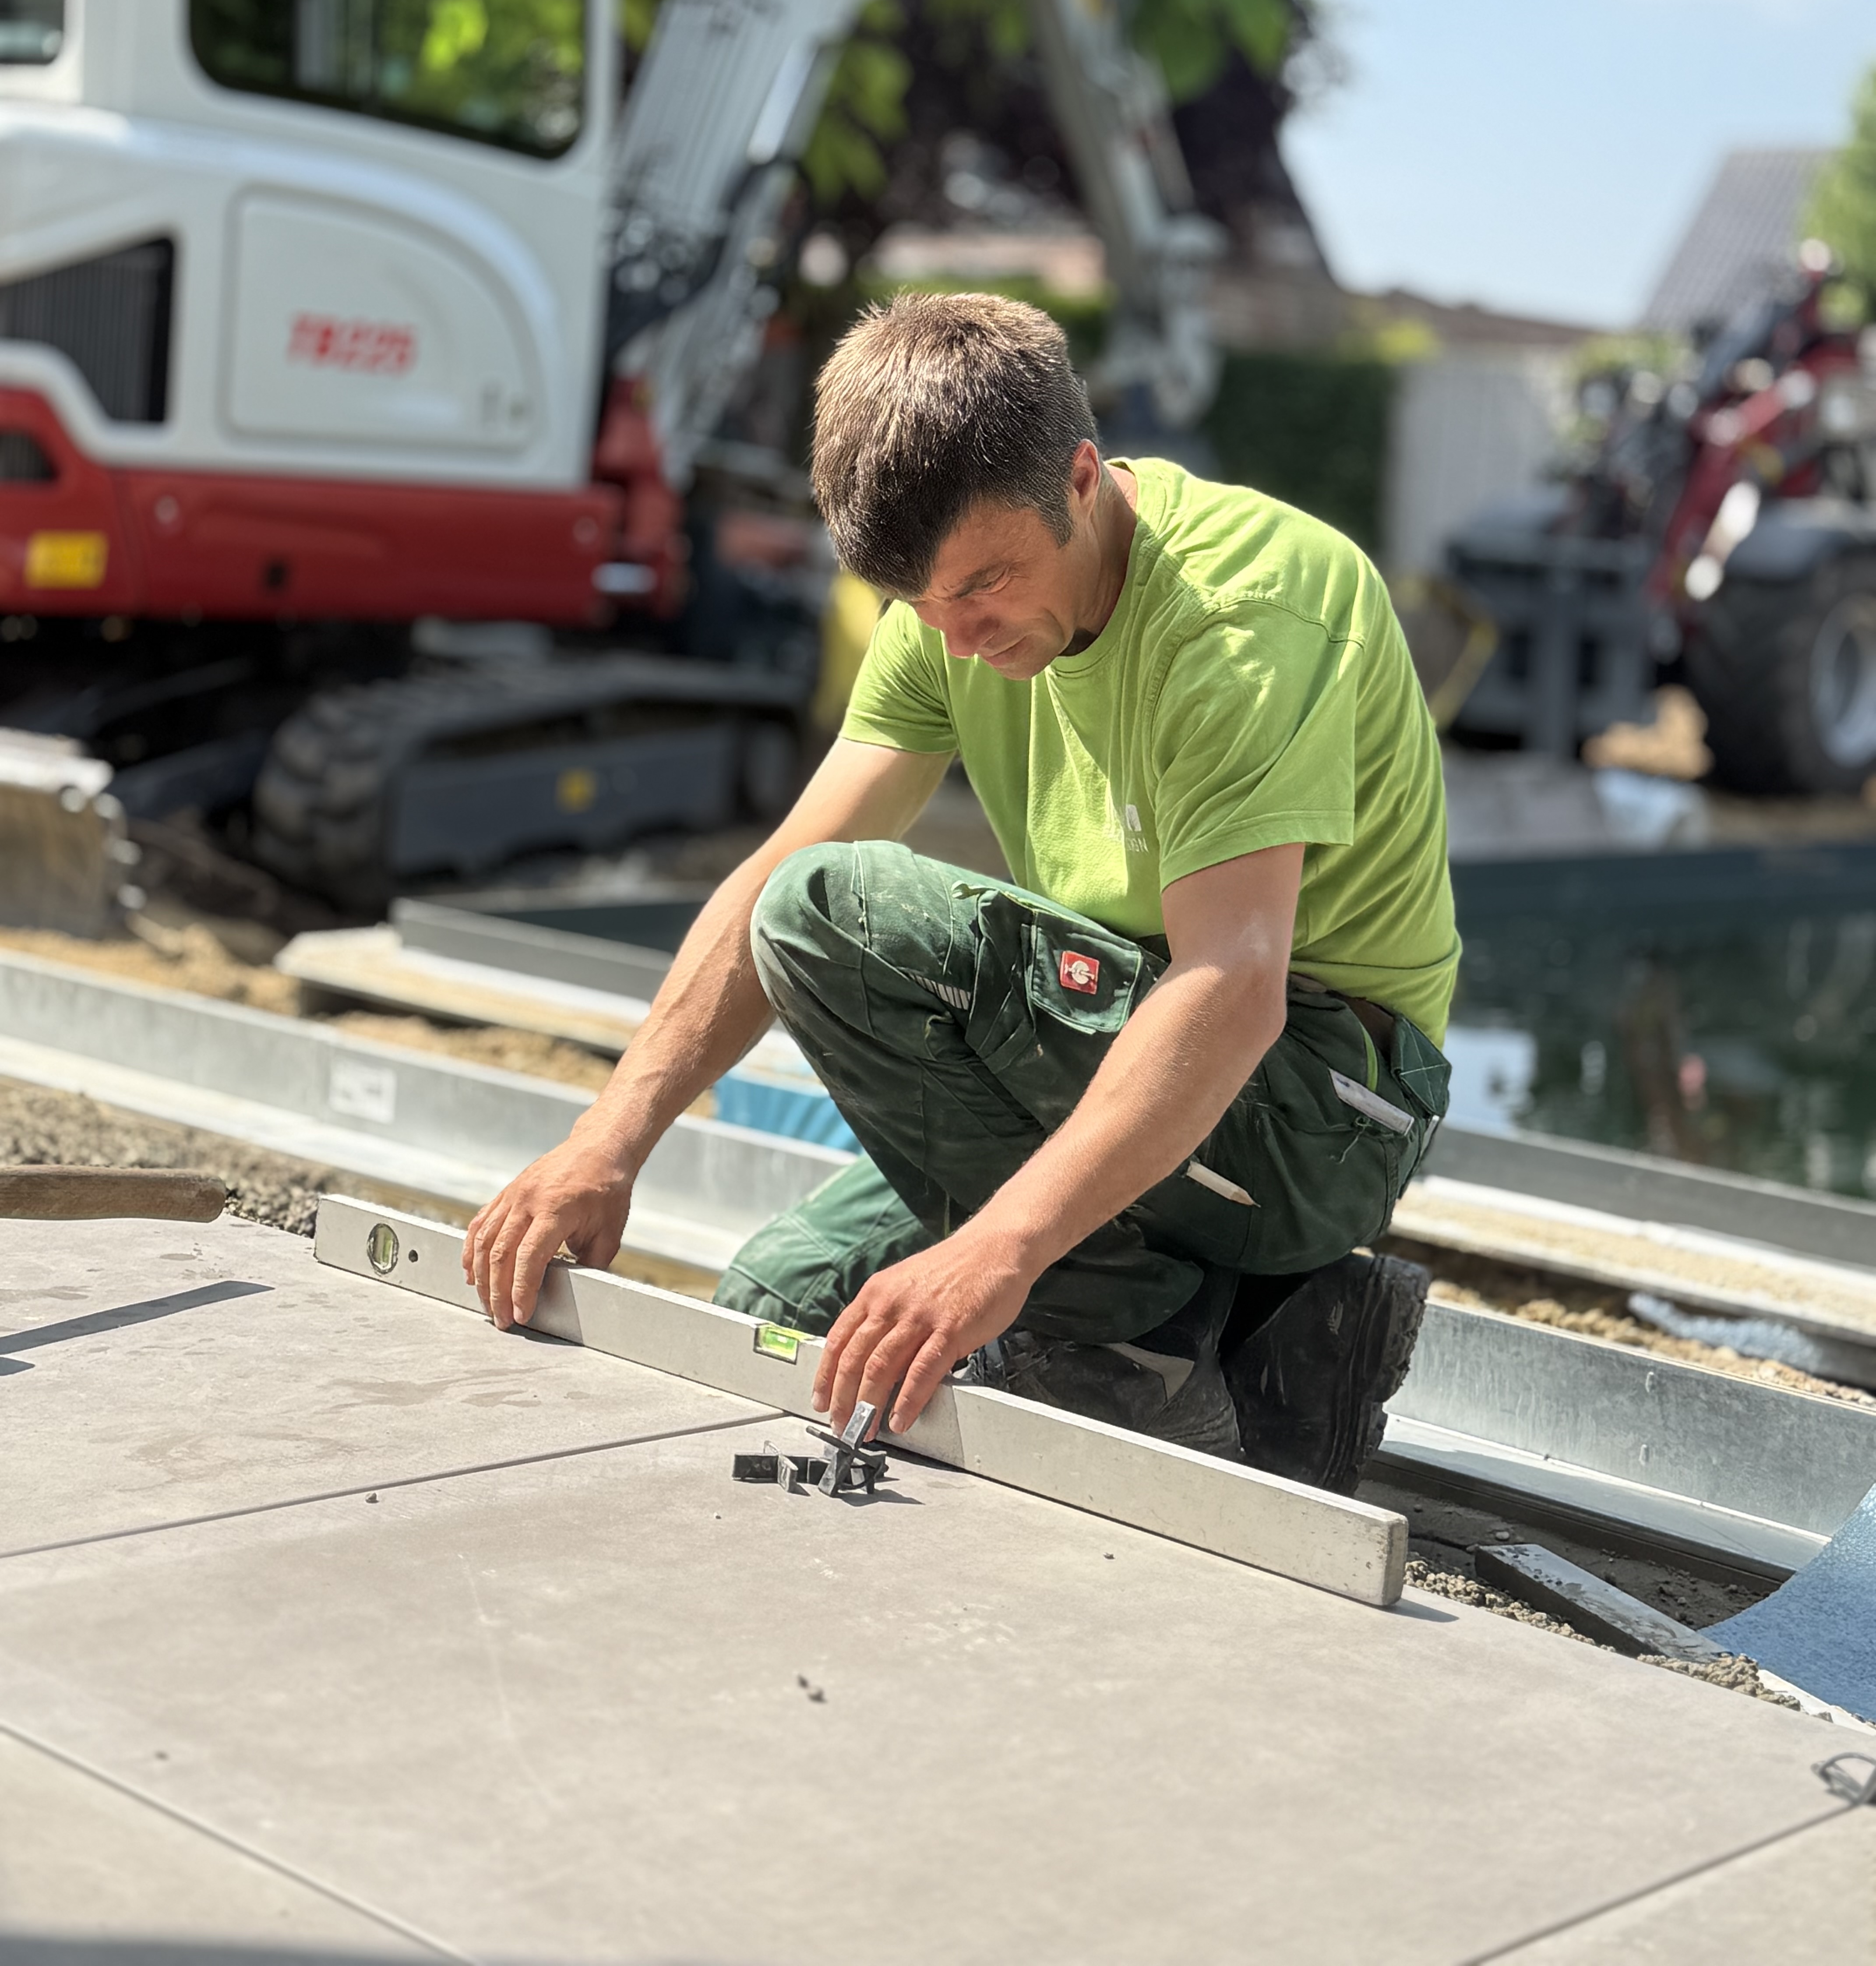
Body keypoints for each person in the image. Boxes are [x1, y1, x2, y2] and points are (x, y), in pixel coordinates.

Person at [465, 293, 1458, 1490]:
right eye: (922, 605)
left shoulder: (1240, 616)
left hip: (1320, 1104)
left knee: (835, 915)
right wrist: (605, 1142)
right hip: (1138, 1069)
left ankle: (1122, 1346)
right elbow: (774, 861)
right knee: (780, 1307)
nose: (960, 634)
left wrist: (1000, 1250)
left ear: (1081, 479)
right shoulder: (943, 617)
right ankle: (1269, 1344)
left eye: (984, 586)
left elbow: (1230, 988)